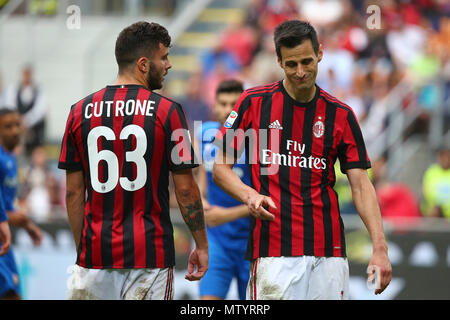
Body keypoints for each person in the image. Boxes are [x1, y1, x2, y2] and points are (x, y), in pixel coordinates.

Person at [212, 20, 392, 300]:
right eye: (291, 64)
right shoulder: (253, 102)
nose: (300, 72)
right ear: (279, 60)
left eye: (307, 61)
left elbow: (361, 186)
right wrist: (249, 194)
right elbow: (220, 168)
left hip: (328, 253)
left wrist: (380, 247)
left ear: (320, 53)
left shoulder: (341, 114)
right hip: (273, 253)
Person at [58, 21, 208, 300]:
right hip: (149, 257)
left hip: (95, 255)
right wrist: (201, 244)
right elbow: (186, 189)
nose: (169, 64)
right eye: (163, 57)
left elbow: (73, 192)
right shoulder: (169, 111)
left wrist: (84, 250)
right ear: (143, 64)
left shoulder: (78, 112)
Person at [196, 79, 251, 300]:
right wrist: (200, 198)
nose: (228, 110)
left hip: (252, 241)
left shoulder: (262, 141)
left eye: (234, 104)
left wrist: (224, 216)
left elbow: (270, 196)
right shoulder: (204, 134)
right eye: (223, 103)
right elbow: (202, 173)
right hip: (216, 241)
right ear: (215, 106)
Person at [0, 108, 43, 300]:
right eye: (8, 126)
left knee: (13, 292)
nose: (15, 131)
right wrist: (16, 219)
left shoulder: (11, 158)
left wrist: (27, 225)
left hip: (3, 242)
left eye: (17, 125)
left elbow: (7, 205)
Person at [3, 66, 47, 156]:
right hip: (17, 128)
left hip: (33, 131)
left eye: (28, 74)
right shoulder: (13, 90)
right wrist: (18, 119)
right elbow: (9, 104)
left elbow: (40, 110)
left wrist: (27, 120)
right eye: (24, 74)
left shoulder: (38, 92)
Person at [422, 146, 450, 218]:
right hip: (436, 212)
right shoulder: (431, 172)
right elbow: (428, 193)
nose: (445, 159)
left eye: (447, 156)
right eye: (442, 156)